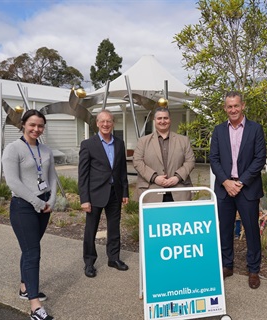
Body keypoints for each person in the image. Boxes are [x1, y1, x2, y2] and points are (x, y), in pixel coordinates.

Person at [2, 109, 57, 320]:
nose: (36, 129)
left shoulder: (46, 150)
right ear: (23, 124)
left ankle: (25, 287)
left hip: (44, 208)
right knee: (33, 252)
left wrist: (50, 201)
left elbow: (52, 177)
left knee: (29, 249)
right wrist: (37, 202)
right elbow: (13, 181)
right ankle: (35, 306)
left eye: (40, 126)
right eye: (32, 124)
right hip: (23, 207)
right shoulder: (13, 149)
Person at [209, 91, 266, 289]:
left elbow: (260, 159)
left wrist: (240, 183)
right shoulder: (218, 131)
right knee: (224, 230)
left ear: (243, 106)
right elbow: (213, 159)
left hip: (247, 188)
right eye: (229, 106)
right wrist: (226, 182)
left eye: (236, 106)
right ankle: (227, 265)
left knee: (251, 230)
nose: (233, 109)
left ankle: (253, 269)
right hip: (224, 189)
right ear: (225, 108)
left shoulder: (255, 129)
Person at [78, 109, 129, 278]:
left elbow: (122, 170)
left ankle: (113, 258)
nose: (106, 124)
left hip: (115, 193)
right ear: (97, 124)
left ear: (113, 123)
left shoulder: (119, 143)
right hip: (94, 195)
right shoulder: (88, 144)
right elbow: (83, 174)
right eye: (102, 121)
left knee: (114, 228)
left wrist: (125, 192)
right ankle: (89, 262)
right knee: (90, 230)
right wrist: (84, 199)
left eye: (109, 121)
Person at [133, 107, 195, 203]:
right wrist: (154, 178)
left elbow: (190, 161)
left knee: (178, 218)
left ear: (170, 120)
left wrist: (177, 177)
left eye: (165, 118)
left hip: (179, 191)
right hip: (151, 192)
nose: (162, 121)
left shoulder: (183, 140)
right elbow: (137, 161)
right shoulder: (143, 141)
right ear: (154, 120)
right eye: (159, 118)